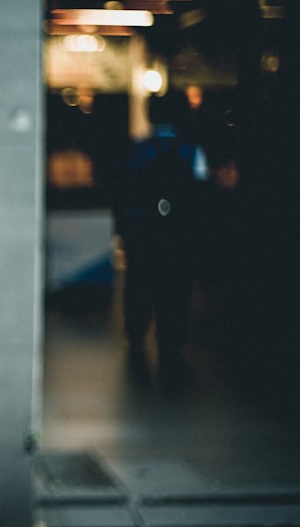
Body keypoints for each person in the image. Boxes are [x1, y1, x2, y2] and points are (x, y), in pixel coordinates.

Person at [113, 93, 207, 389]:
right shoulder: (191, 152)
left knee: (140, 283)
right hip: (180, 236)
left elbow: (123, 194)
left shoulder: (138, 150)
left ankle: (137, 332)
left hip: (144, 235)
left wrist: (125, 230)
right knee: (176, 289)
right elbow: (202, 197)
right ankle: (171, 341)